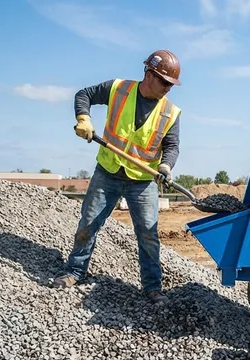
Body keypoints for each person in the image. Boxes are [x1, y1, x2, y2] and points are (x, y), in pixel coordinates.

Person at [50, 49, 183, 305]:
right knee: (88, 224)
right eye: (165, 82)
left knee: (148, 234)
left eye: (172, 84)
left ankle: (152, 288)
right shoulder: (118, 89)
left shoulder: (171, 112)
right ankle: (75, 271)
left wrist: (165, 166)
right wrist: (84, 118)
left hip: (142, 181)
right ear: (149, 74)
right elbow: (84, 94)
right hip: (108, 171)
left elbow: (172, 146)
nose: (168, 88)